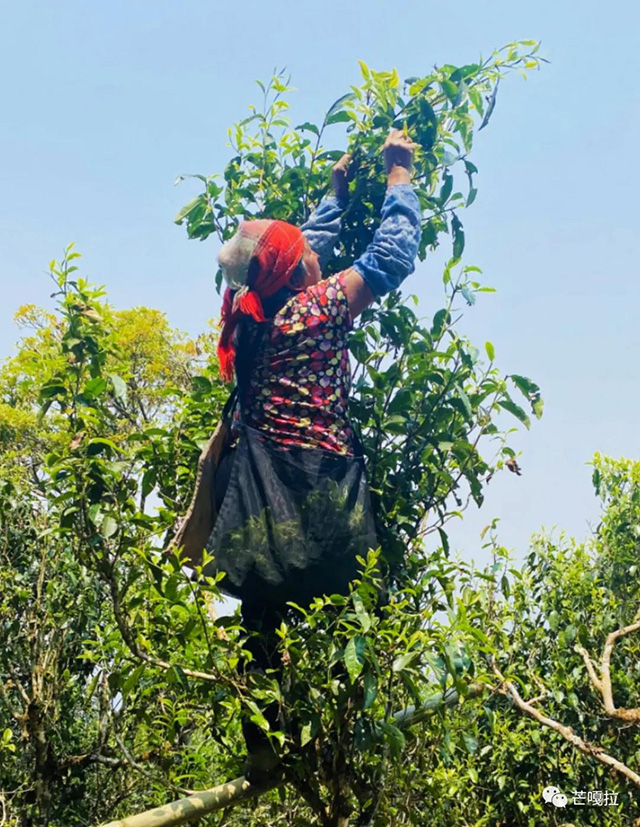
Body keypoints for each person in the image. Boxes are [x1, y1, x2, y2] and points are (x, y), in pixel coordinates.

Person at [210, 129, 422, 780]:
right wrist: (399, 174)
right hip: (324, 489)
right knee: (345, 608)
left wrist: (333, 196)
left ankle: (264, 746)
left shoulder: (249, 317)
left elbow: (301, 248)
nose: (315, 256)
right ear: (298, 273)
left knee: (262, 618)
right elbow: (394, 254)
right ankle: (342, 746)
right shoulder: (321, 307)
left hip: (261, 495)